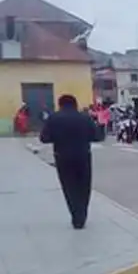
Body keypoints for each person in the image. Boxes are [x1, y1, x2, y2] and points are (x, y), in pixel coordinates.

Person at [39, 94, 103, 229]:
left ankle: (75, 217)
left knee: (69, 187)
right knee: (84, 187)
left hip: (62, 157)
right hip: (83, 156)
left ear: (60, 104)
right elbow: (97, 137)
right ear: (75, 104)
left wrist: (58, 137)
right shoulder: (85, 118)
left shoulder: (53, 118)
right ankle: (82, 216)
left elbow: (44, 138)